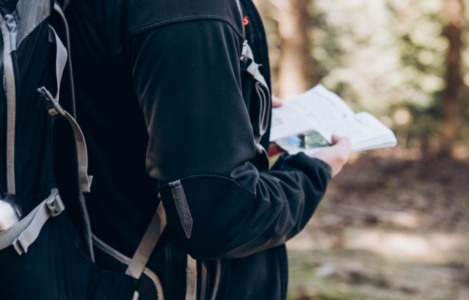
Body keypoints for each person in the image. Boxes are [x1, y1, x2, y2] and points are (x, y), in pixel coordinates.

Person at [64, 0, 351, 299]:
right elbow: (214, 220)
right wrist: (312, 171)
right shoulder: (187, 8)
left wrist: (238, 115)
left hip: (98, 264)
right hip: (158, 282)